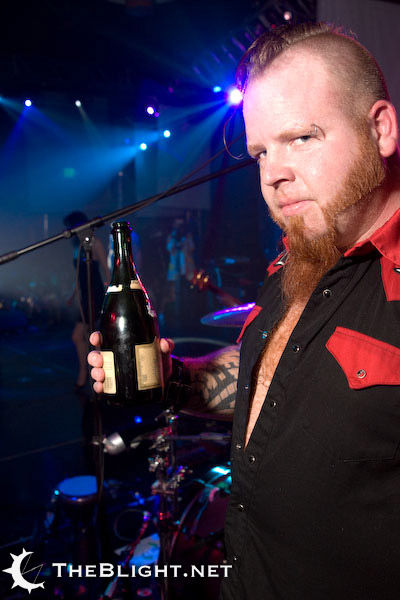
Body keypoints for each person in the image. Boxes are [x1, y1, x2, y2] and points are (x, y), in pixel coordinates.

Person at [88, 22, 400, 599]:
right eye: (261, 152)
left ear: (380, 128)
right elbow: (273, 377)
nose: (273, 174)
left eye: (300, 138)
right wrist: (168, 378)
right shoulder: (297, 258)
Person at [64, 211, 110, 389]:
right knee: (86, 336)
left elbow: (105, 268)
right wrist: (72, 295)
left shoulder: (94, 243)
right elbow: (78, 276)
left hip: (95, 293)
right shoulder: (76, 247)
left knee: (85, 335)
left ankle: (93, 375)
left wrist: (111, 292)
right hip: (84, 295)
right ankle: (92, 374)